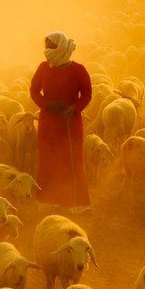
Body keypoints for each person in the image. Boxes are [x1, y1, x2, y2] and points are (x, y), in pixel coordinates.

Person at [30, 31, 92, 214]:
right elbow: (34, 90)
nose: (47, 50)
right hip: (48, 121)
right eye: (46, 46)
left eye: (51, 46)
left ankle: (77, 203)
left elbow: (87, 94)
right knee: (48, 159)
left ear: (61, 47)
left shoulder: (78, 70)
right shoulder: (43, 68)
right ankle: (48, 200)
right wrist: (47, 104)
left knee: (72, 160)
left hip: (69, 122)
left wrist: (74, 108)